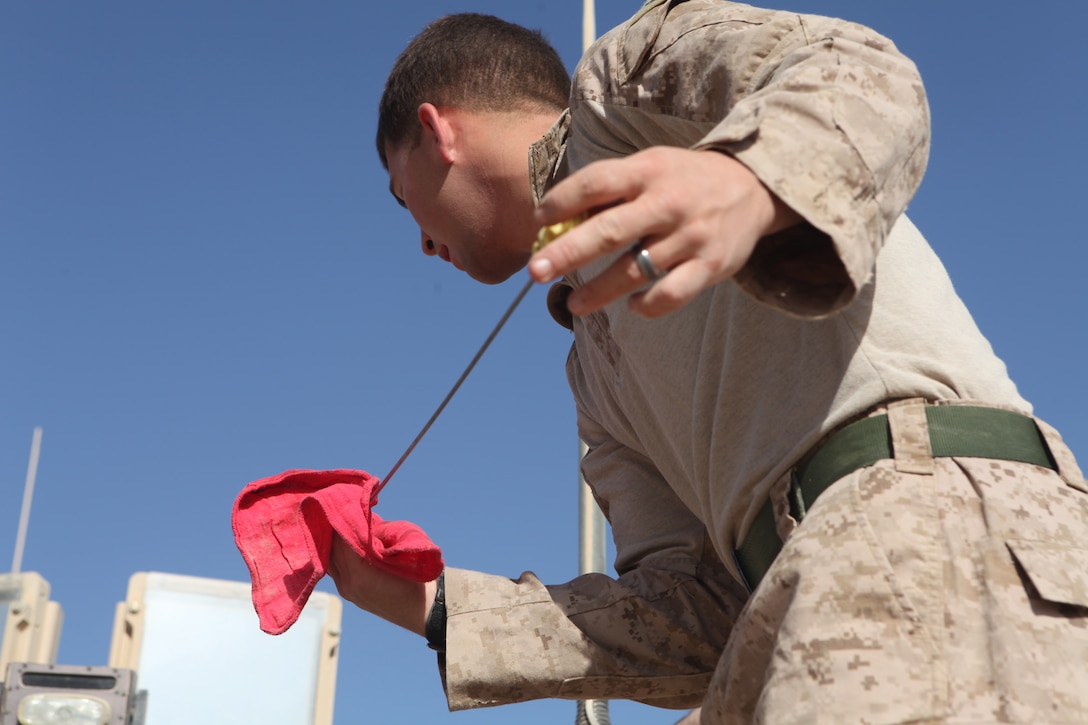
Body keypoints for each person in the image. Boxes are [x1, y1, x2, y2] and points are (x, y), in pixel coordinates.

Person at [326, 2, 1088, 723]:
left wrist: (750, 179)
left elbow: (863, 70)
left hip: (927, 529)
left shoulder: (616, 88)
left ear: (437, 132)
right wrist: (428, 605)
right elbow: (694, 613)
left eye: (404, 196)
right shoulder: (592, 370)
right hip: (789, 614)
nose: (423, 242)